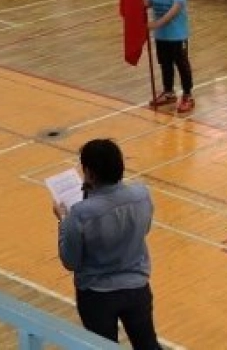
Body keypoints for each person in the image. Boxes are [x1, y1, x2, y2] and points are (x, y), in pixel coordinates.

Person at [54, 139, 161, 350]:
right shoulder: (142, 195)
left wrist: (63, 221)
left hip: (97, 294)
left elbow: (70, 261)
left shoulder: (80, 213)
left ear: (89, 172)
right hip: (136, 287)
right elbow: (145, 229)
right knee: (148, 345)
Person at [146, 0, 193, 114]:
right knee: (165, 62)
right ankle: (168, 92)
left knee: (181, 63)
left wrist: (157, 23)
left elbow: (176, 8)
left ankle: (187, 95)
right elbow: (149, 0)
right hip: (162, 34)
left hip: (177, 33)